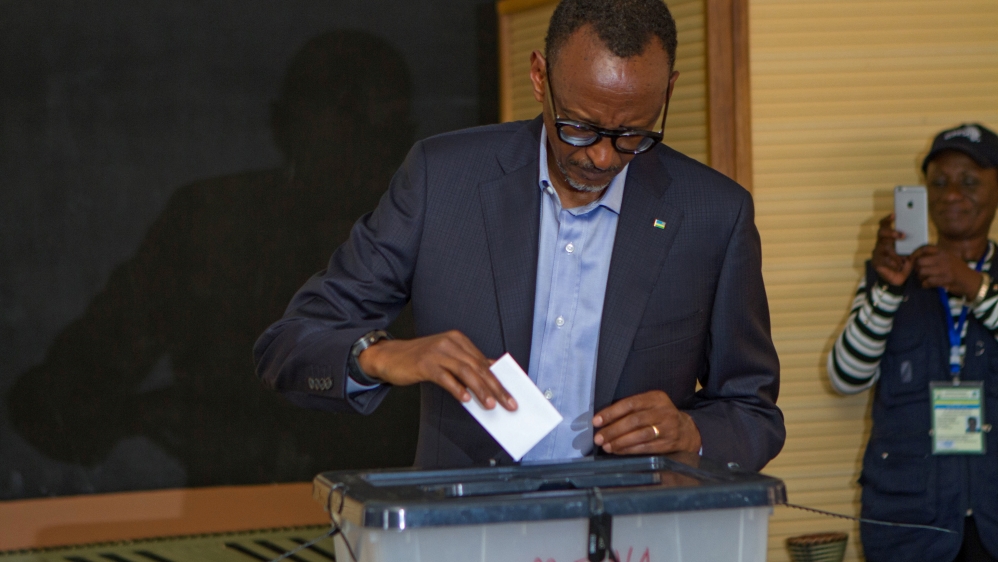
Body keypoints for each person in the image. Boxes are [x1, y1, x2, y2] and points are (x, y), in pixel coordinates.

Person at [255, 0, 784, 472]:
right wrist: (379, 355)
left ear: (667, 91)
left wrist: (691, 433)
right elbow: (289, 345)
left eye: (633, 134)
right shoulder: (443, 181)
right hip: (468, 537)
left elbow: (753, 412)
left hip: (635, 537)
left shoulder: (714, 214)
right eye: (579, 126)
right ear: (539, 77)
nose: (602, 156)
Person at [7, 30, 420, 492]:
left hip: (391, 517)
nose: (359, 136)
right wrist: (162, 416)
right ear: (285, 123)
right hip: (235, 518)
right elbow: (56, 398)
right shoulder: (210, 221)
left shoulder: (427, 231)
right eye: (343, 108)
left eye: (382, 120)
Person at [828, 123, 998, 561]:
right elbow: (846, 377)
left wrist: (975, 287)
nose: (952, 194)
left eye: (969, 181)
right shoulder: (891, 274)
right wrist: (887, 290)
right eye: (938, 183)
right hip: (910, 527)